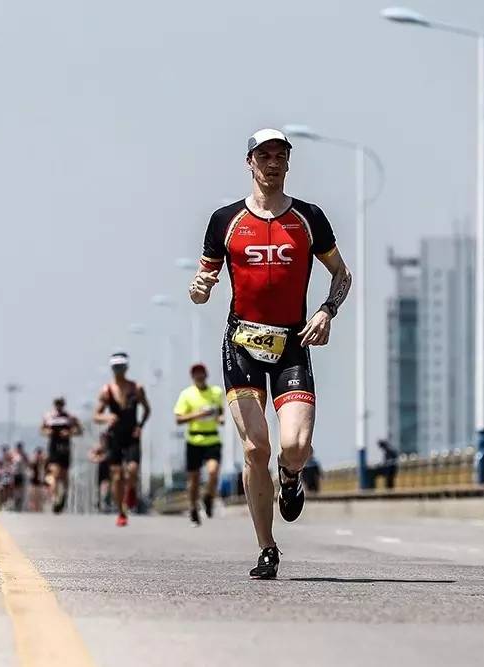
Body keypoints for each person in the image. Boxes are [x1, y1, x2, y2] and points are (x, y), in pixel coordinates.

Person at [189, 128, 352, 579]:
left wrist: (327, 311)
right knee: (255, 446)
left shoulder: (308, 218)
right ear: (250, 163)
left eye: (280, 156)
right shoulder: (224, 220)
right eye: (265, 156)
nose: (273, 164)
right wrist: (198, 289)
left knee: (295, 446)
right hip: (241, 345)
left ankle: (291, 476)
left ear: (288, 163)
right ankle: (266, 547)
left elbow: (342, 274)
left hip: (292, 346)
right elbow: (202, 286)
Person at [94, 352, 151, 527]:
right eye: (116, 367)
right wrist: (107, 417)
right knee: (117, 476)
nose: (119, 370)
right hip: (115, 437)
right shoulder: (107, 391)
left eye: (121, 367)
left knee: (133, 469)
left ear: (126, 368)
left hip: (132, 435)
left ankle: (131, 489)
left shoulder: (136, 388)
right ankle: (121, 511)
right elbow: (96, 415)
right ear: (112, 369)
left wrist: (140, 426)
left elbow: (147, 409)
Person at [174, 363, 225, 526]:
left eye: (201, 373)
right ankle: (193, 508)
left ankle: (208, 497)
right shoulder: (187, 394)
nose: (199, 376)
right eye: (196, 374)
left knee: (213, 472)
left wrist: (220, 418)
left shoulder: (216, 392)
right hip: (194, 440)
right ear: (192, 376)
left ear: (206, 375)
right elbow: (178, 419)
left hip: (212, 439)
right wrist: (198, 414)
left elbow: (220, 412)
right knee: (194, 479)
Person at [41, 397, 83, 514]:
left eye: (61, 404)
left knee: (64, 476)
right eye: (57, 404)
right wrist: (47, 432)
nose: (59, 406)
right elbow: (42, 429)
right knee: (55, 473)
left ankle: (63, 495)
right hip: (54, 448)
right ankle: (55, 498)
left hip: (65, 448)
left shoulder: (70, 417)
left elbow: (80, 430)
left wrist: (69, 432)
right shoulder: (49, 416)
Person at [11, 442, 29, 512]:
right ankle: (15, 504)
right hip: (15, 474)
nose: (19, 449)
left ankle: (20, 505)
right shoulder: (13, 455)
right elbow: (10, 463)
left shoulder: (24, 455)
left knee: (21, 490)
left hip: (21, 474)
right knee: (15, 490)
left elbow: (28, 463)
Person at [28, 447, 48, 512]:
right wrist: (35, 458)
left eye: (40, 452)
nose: (39, 454)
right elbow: (30, 464)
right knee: (33, 497)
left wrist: (42, 457)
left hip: (41, 482)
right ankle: (34, 510)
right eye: (38, 453)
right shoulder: (34, 462)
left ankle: (39, 510)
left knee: (40, 498)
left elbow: (47, 459)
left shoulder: (43, 462)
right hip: (34, 482)